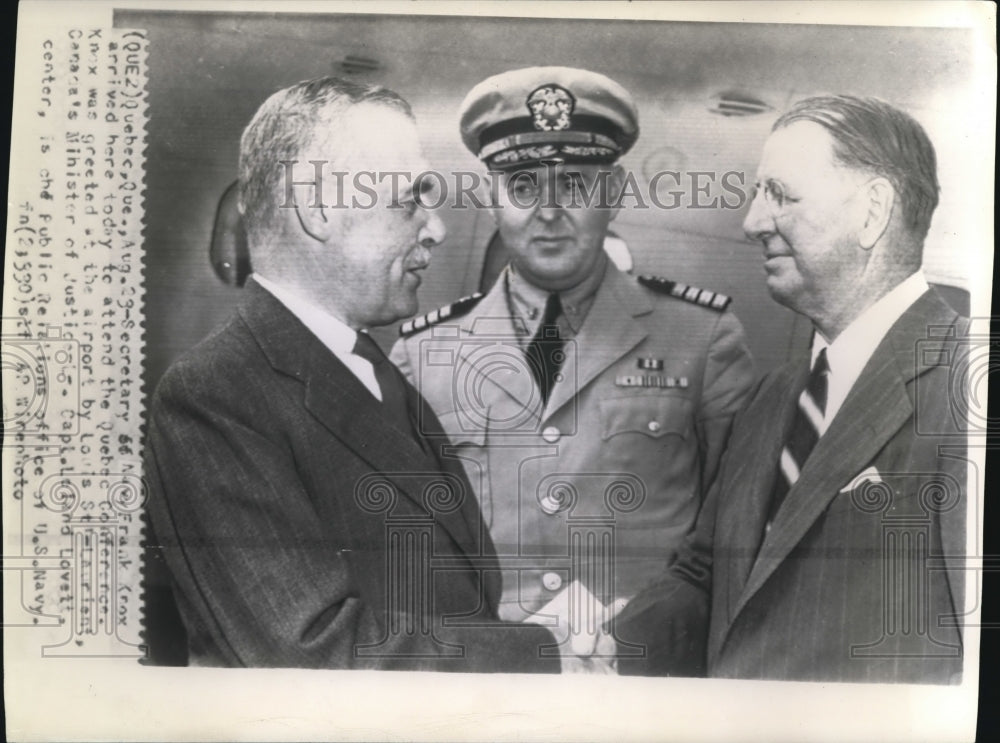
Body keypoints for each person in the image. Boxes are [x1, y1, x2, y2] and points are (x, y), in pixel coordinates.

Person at [144, 76, 574, 672]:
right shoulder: (215, 394)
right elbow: (308, 653)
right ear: (318, 208)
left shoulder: (368, 367)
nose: (437, 227)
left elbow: (444, 599)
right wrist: (544, 658)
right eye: (410, 199)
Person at [390, 67, 755, 651]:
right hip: (487, 676)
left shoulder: (702, 338)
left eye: (576, 185)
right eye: (524, 186)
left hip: (639, 673)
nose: (550, 210)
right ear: (492, 200)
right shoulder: (421, 354)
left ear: (612, 195)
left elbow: (734, 538)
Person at [615, 94, 969, 683]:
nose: (752, 221)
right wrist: (603, 646)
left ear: (872, 211)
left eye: (779, 194)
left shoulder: (968, 388)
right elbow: (710, 574)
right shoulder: (775, 394)